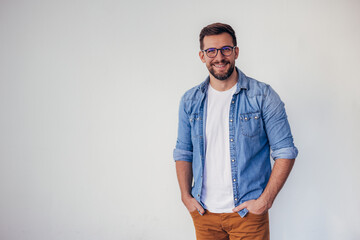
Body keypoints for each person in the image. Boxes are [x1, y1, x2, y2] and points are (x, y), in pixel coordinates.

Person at [173, 22, 298, 240]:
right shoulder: (190, 100)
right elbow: (184, 151)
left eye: (226, 49)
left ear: (236, 52)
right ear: (202, 56)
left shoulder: (263, 96)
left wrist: (265, 201)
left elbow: (285, 151)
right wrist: (186, 196)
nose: (219, 57)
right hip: (204, 214)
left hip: (247, 215)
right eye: (211, 51)